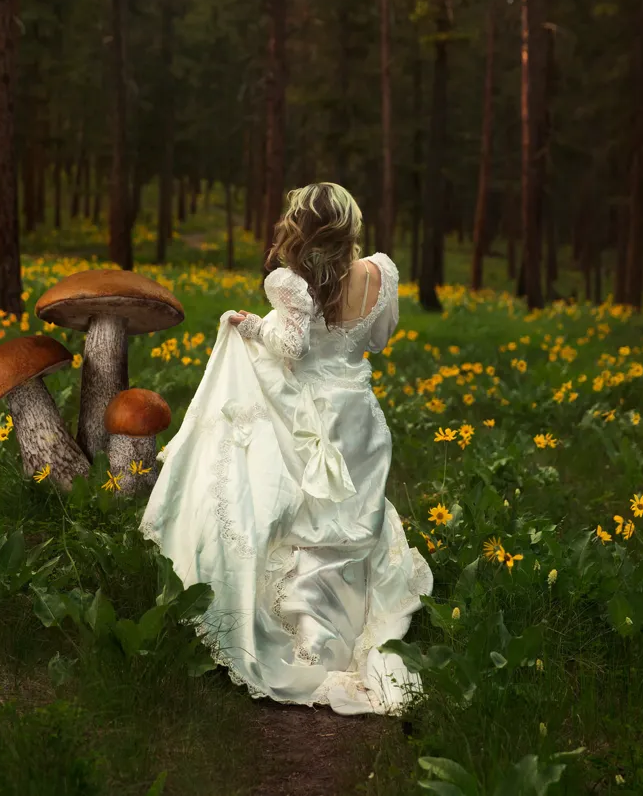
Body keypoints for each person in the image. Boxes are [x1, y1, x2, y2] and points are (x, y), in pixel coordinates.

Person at [139, 182, 433, 715]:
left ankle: (306, 630)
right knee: (351, 517)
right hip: (360, 418)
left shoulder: (292, 284)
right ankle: (351, 619)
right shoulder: (381, 275)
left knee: (305, 516)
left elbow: (293, 348)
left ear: (302, 230)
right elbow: (378, 341)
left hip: (309, 413)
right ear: (351, 227)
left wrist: (250, 326)